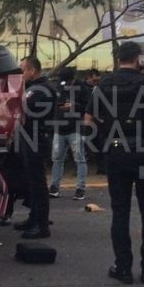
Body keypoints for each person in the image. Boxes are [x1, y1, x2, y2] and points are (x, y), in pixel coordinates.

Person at [85, 42, 144, 284]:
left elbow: (88, 120)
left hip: (116, 153)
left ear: (117, 59)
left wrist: (103, 138)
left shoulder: (103, 85)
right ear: (139, 59)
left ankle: (123, 267)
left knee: (120, 211)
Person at [15, 56, 56, 239]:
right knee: (31, 181)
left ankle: (41, 225)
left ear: (32, 71)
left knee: (38, 183)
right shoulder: (33, 88)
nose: (20, 74)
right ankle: (34, 218)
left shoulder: (41, 89)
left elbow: (23, 107)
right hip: (29, 137)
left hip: (37, 138)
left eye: (22, 70)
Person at [48, 67, 89, 201]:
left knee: (79, 158)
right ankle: (54, 186)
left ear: (73, 78)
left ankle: (80, 188)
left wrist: (74, 106)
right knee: (57, 159)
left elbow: (88, 106)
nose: (64, 83)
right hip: (60, 127)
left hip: (75, 127)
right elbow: (55, 103)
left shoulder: (82, 88)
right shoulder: (59, 86)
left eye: (67, 81)